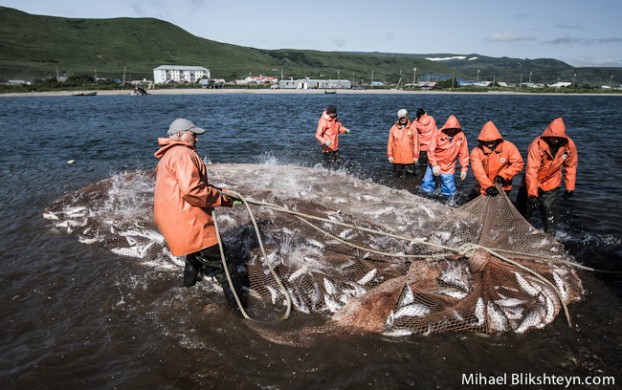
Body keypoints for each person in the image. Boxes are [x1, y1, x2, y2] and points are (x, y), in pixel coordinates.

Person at [153, 118, 246, 311]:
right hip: (191, 222)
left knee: (194, 255)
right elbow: (192, 191)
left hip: (175, 221)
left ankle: (187, 290)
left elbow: (186, 188)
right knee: (225, 266)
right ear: (180, 135)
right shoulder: (184, 154)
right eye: (193, 135)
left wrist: (220, 191)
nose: (197, 139)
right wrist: (222, 199)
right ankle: (241, 314)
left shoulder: (168, 155)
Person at [516, 117, 578, 236]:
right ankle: (516, 234)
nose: (555, 140)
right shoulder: (537, 144)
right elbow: (531, 170)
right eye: (553, 137)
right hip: (531, 181)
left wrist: (570, 187)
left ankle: (550, 238)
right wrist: (532, 194)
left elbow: (571, 166)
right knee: (524, 211)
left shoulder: (569, 145)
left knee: (549, 211)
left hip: (552, 181)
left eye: (558, 137)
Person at [469, 121, 524, 199]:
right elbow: (478, 171)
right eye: (487, 140)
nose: (490, 141)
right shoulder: (476, 151)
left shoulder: (509, 147)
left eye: (492, 139)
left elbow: (518, 164)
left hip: (503, 187)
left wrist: (503, 175)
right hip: (482, 187)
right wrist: (488, 186)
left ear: (497, 138)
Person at [420, 115, 469, 197]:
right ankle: (424, 197)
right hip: (434, 163)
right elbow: (431, 150)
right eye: (450, 128)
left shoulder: (461, 136)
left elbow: (464, 153)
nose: (452, 130)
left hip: (449, 166)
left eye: (454, 128)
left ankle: (449, 202)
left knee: (449, 189)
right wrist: (434, 165)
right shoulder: (438, 134)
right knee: (427, 183)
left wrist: (464, 169)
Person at [315, 104, 351, 169]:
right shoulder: (323, 121)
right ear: (329, 113)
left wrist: (345, 130)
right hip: (327, 149)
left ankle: (336, 176)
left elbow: (339, 128)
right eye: (333, 113)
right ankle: (324, 175)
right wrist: (325, 141)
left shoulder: (335, 120)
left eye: (335, 112)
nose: (334, 114)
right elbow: (317, 135)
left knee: (337, 165)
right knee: (329, 166)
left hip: (335, 148)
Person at [387, 109, 419, 177]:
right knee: (397, 176)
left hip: (409, 157)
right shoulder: (393, 129)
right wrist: (390, 155)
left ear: (407, 116)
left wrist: (416, 156)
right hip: (397, 157)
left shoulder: (413, 129)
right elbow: (390, 143)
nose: (402, 119)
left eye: (403, 117)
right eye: (400, 118)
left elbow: (416, 143)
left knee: (411, 176)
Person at [413, 108, 438, 175]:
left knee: (422, 166)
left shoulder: (417, 123)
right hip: (433, 147)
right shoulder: (431, 119)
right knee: (432, 164)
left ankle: (422, 178)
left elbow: (412, 130)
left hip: (423, 148)